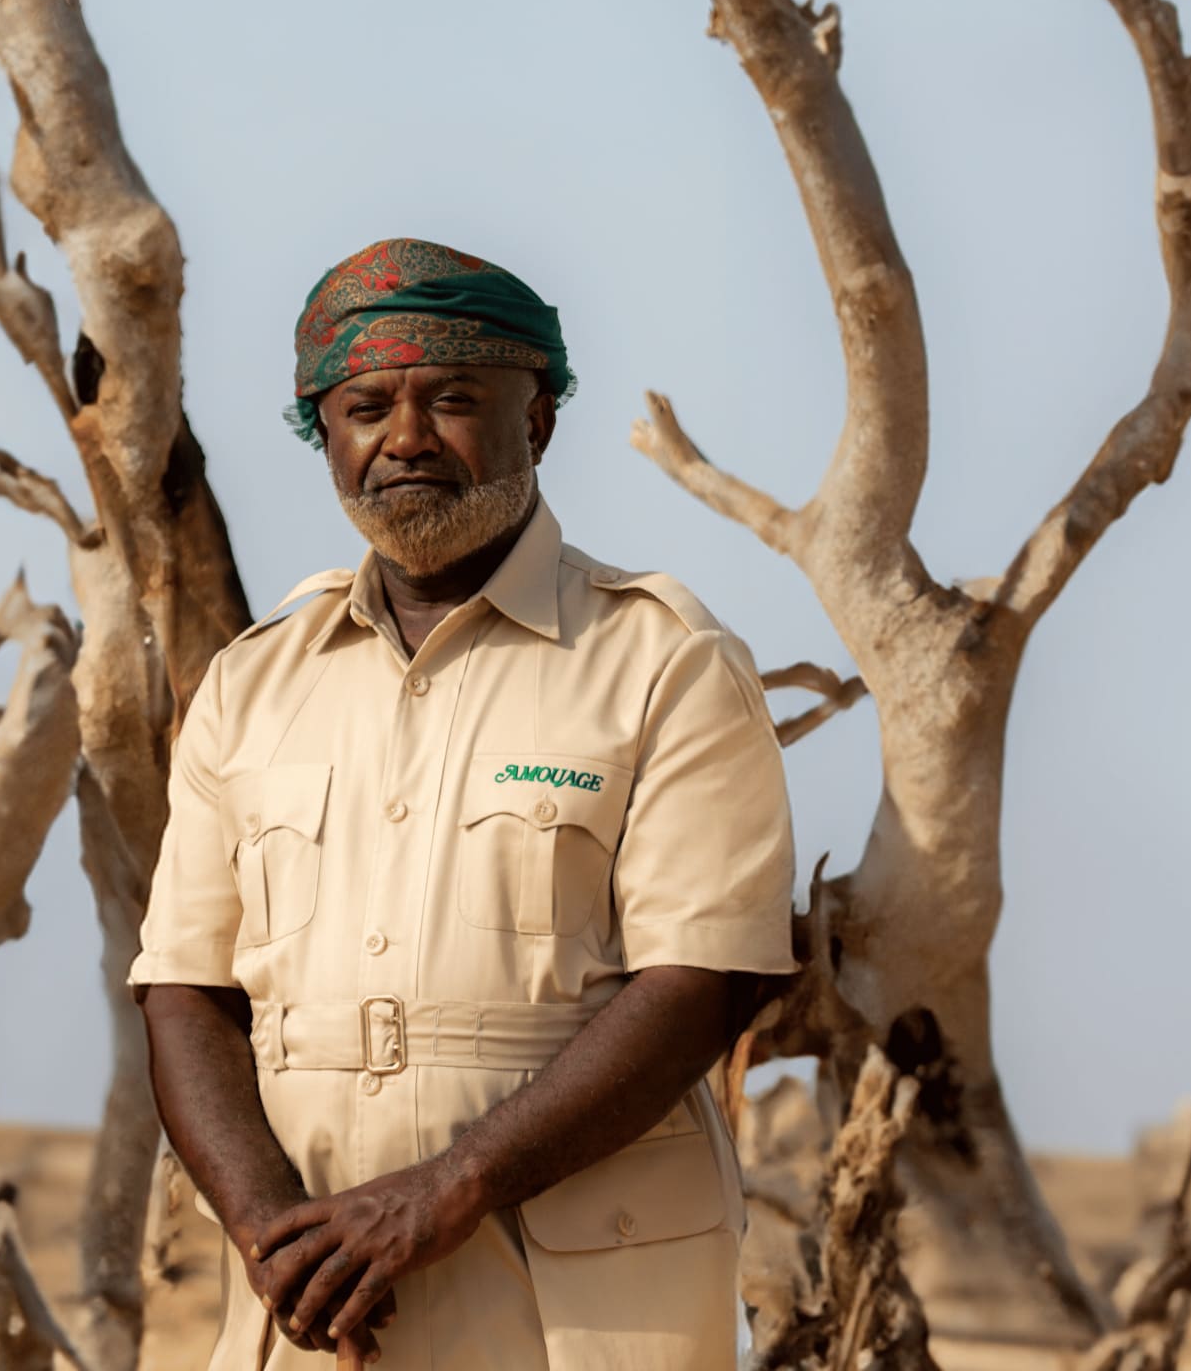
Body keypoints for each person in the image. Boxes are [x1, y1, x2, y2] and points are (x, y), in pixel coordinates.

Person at [129, 239, 799, 1370]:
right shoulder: (252, 684)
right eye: (362, 407)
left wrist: (449, 1189)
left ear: (534, 422)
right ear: (324, 435)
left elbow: (705, 982)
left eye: (450, 401)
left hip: (584, 1299)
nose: (402, 439)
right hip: (316, 1293)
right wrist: (263, 1229)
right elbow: (186, 991)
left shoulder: (661, 661)